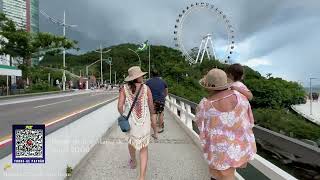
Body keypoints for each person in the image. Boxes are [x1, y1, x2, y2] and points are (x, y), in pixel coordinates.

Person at [196, 68, 256, 180]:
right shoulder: (241, 97)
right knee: (229, 173)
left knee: (219, 175)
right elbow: (250, 121)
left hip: (218, 149)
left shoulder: (204, 104)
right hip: (238, 146)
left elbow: (200, 125)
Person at [117, 66, 154, 180]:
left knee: (131, 142)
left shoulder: (124, 88)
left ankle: (133, 160)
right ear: (138, 77)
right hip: (144, 121)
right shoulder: (146, 88)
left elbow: (120, 106)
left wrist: (123, 114)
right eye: (141, 75)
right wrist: (153, 119)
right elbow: (151, 106)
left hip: (131, 121)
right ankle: (141, 177)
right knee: (144, 149)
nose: (143, 77)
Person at [146, 70, 168, 138]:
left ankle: (155, 131)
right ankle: (160, 128)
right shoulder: (163, 81)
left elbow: (145, 91)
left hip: (152, 101)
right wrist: (163, 97)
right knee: (161, 113)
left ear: (152, 74)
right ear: (158, 74)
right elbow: (166, 91)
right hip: (161, 100)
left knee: (153, 115)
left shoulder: (148, 82)